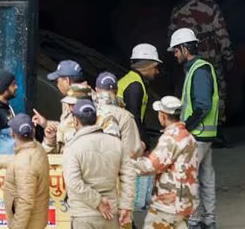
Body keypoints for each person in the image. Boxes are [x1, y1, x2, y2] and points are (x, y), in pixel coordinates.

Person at [169, 0, 234, 126]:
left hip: (188, 58)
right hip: (212, 56)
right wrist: (229, 57)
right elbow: (222, 35)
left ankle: (193, 125)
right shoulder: (211, 6)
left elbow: (171, 36)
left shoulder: (178, 10)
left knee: (192, 90)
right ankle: (218, 129)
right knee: (217, 90)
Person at [169, 29, 219, 229]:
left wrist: (184, 127)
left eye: (176, 51)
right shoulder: (198, 69)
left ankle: (195, 221)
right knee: (206, 178)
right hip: (204, 135)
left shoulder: (198, 71)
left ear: (184, 48)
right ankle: (208, 220)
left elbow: (202, 105)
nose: (175, 55)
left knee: (190, 181)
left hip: (197, 135)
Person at [62, 99, 136, 229]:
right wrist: (126, 206)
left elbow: (73, 182)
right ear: (96, 119)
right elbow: (129, 175)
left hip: (83, 216)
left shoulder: (72, 147)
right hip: (110, 215)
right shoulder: (116, 143)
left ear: (75, 121)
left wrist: (98, 202)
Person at [133, 96, 198, 229]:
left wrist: (127, 162)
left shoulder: (171, 138)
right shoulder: (188, 136)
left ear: (163, 116)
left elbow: (150, 166)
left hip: (168, 204)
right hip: (185, 201)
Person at [3, 113, 50, 229]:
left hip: (28, 224)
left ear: (12, 133)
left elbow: (25, 203)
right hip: (37, 220)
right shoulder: (38, 149)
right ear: (33, 132)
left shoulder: (24, 162)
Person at [31, 60, 86, 154]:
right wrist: (46, 123)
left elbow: (71, 133)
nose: (57, 84)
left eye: (57, 81)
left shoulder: (84, 102)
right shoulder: (71, 100)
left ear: (67, 81)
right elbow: (67, 125)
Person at [118, 44, 162, 143]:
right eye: (155, 67)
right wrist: (143, 141)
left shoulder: (132, 79)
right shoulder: (135, 85)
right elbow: (133, 117)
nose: (157, 72)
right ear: (147, 66)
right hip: (126, 137)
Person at [93, 72, 142, 159]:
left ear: (96, 89)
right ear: (117, 91)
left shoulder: (86, 111)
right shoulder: (125, 116)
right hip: (113, 168)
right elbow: (132, 152)